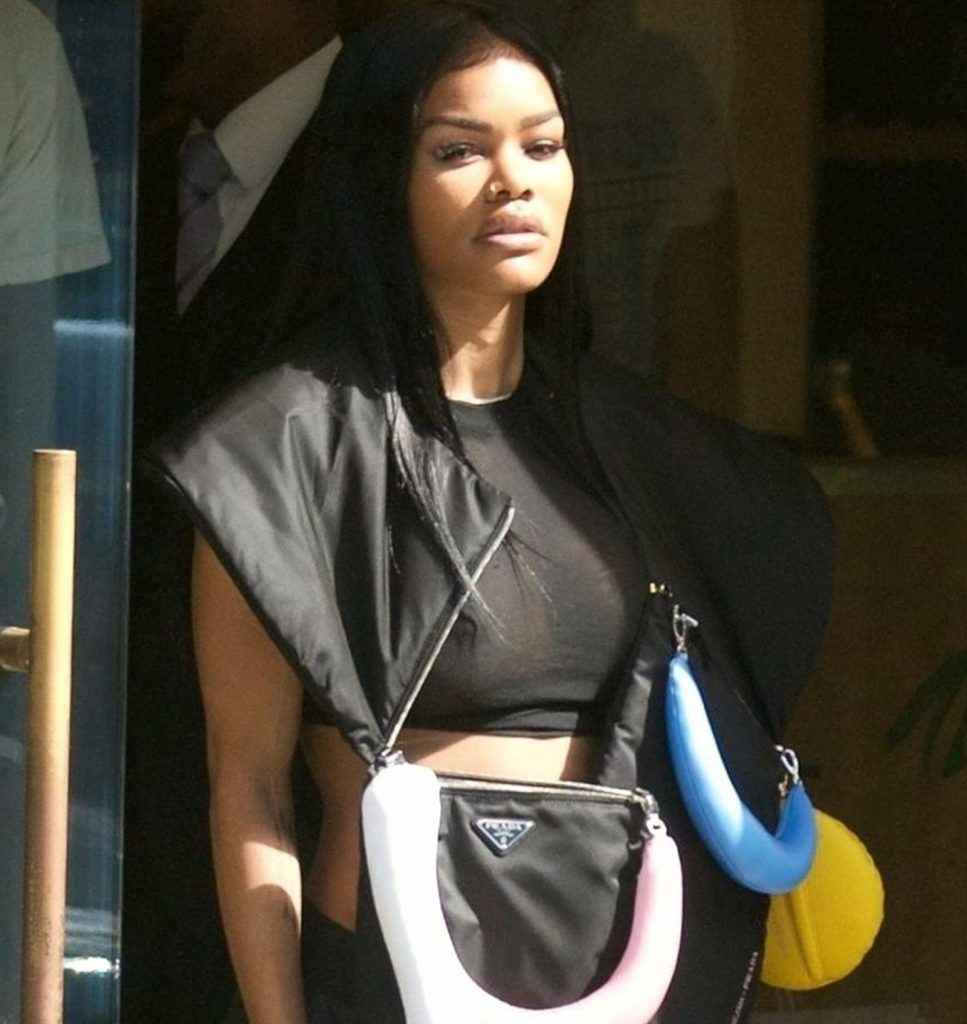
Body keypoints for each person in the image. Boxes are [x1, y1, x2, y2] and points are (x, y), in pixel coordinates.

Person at [148, 4, 833, 1022]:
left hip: (627, 976)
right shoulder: (279, 447)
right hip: (394, 977)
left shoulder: (640, 447)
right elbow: (246, 788)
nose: (514, 179)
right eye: (457, 150)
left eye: (542, 146)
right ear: (380, 178)